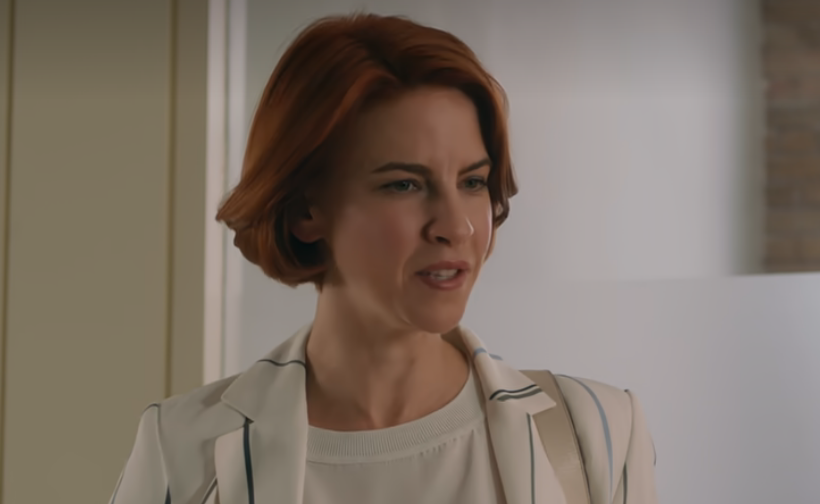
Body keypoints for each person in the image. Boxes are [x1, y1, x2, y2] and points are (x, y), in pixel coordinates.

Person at [109, 13, 657, 504]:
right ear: (306, 211)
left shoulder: (595, 435)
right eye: (404, 184)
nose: (457, 226)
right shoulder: (182, 450)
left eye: (472, 182)